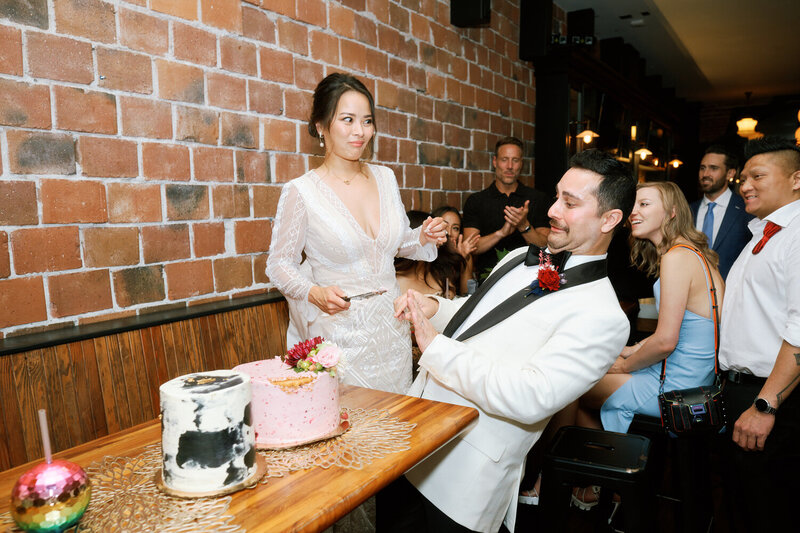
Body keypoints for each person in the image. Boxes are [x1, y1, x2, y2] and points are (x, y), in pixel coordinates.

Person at [377, 150, 636, 533]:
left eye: (570, 203)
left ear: (610, 219)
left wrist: (434, 346)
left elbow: (530, 397)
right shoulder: (519, 256)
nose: (552, 210)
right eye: (556, 196)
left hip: (464, 478)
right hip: (413, 439)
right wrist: (433, 307)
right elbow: (479, 313)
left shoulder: (605, 316)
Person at [266, 73, 447, 395]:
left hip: (391, 333)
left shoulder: (385, 178)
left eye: (367, 121)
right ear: (321, 126)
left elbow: (392, 246)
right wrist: (313, 292)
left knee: (395, 428)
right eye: (347, 120)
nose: (359, 132)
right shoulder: (302, 192)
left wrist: (422, 237)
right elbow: (279, 264)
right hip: (340, 338)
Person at [718, 137, 800, 532]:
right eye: (743, 177)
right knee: (746, 503)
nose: (744, 184)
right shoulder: (762, 234)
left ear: (796, 179)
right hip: (743, 391)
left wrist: (766, 406)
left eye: (757, 176)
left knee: (769, 508)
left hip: (772, 397)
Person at [462, 136, 550, 278]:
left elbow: (545, 246)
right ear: (495, 161)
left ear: (521, 163)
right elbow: (470, 248)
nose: (510, 166)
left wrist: (524, 226)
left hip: (529, 280)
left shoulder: (538, 199)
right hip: (488, 279)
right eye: (504, 160)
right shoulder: (476, 201)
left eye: (515, 160)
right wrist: (500, 233)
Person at [690, 144, 753, 279]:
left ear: (730, 173)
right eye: (702, 168)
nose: (705, 174)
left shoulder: (747, 210)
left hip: (731, 293)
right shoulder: (688, 211)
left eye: (713, 168)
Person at [396, 206, 478, 298]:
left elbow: (467, 297)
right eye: (440, 228)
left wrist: (462, 259)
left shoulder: (442, 271)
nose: (447, 233)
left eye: (455, 228)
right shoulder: (394, 279)